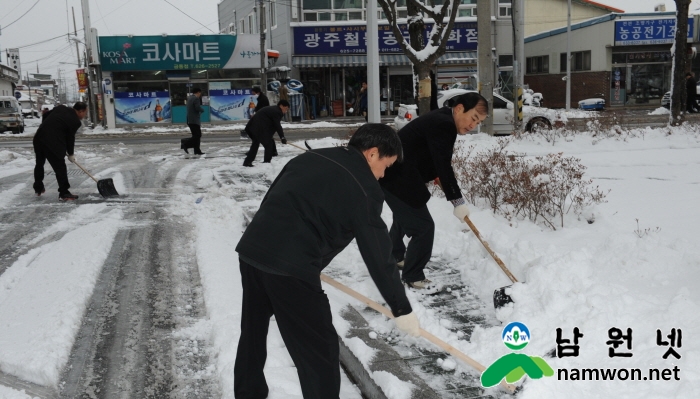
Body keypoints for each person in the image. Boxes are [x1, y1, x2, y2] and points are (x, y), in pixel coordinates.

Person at [234, 124, 420, 399]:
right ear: (372, 154)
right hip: (291, 270)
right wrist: (401, 308)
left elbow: (274, 198)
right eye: (386, 165)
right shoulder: (365, 188)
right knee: (320, 354)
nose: (383, 175)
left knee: (252, 334)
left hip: (253, 251)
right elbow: (379, 256)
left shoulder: (313, 157)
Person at [379, 92, 488, 289]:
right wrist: (457, 201)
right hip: (399, 178)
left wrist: (436, 174)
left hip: (395, 174)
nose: (473, 126)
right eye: (473, 118)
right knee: (423, 228)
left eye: (478, 122)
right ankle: (413, 276)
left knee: (404, 218)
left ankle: (394, 256)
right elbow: (443, 163)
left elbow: (427, 151)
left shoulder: (442, 117)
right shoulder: (444, 124)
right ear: (459, 108)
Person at [32, 102, 88, 201]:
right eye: (85, 112)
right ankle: (64, 192)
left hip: (39, 137)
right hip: (52, 142)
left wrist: (46, 128)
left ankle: (38, 187)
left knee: (39, 163)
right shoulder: (75, 121)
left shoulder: (61, 108)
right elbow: (70, 139)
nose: (85, 115)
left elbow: (45, 115)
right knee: (60, 167)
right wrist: (70, 154)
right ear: (80, 111)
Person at [242, 99, 290, 167]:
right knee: (268, 145)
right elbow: (277, 125)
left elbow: (270, 124)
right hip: (257, 128)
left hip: (252, 127)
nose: (285, 111)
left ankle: (247, 162)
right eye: (286, 109)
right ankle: (266, 163)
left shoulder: (273, 109)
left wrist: (270, 135)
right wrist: (282, 137)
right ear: (281, 106)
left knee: (256, 144)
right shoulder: (277, 112)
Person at [181, 87, 205, 155]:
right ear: (198, 92)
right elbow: (197, 108)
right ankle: (186, 144)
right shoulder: (196, 99)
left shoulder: (190, 98)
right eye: (200, 93)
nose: (200, 94)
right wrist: (202, 110)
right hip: (194, 120)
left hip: (190, 120)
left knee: (195, 135)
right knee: (198, 135)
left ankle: (197, 151)